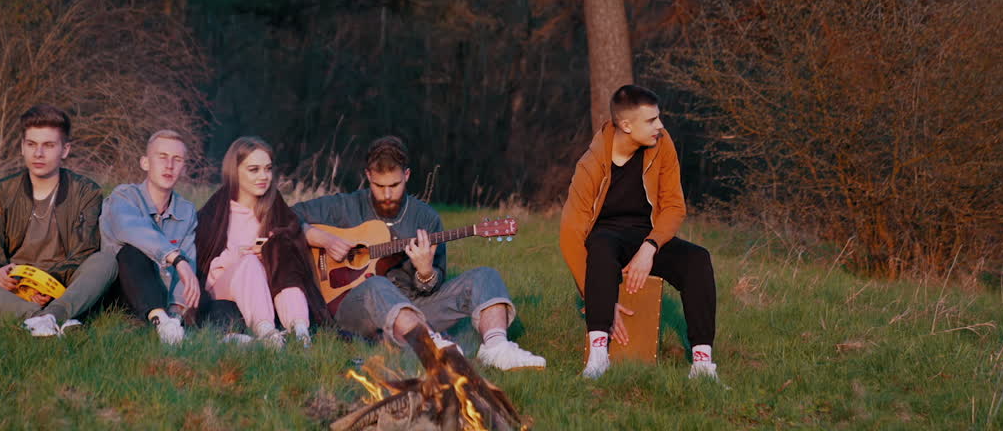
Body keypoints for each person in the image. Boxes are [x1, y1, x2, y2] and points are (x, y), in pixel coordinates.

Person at [293, 136, 545, 371]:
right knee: (377, 284)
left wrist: (425, 272)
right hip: (353, 307)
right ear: (368, 176)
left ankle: (496, 347)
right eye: (379, 186)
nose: (387, 194)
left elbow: (433, 287)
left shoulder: (426, 218)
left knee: (485, 276)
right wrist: (323, 239)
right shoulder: (344, 207)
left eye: (395, 185)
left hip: (414, 306)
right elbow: (286, 217)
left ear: (407, 175)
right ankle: (428, 345)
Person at [559, 84, 719, 380]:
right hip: (607, 237)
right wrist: (598, 301)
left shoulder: (662, 144)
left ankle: (702, 364)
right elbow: (570, 234)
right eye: (651, 120)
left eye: (658, 118)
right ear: (626, 125)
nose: (660, 126)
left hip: (647, 236)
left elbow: (674, 207)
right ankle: (598, 358)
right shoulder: (591, 164)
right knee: (600, 247)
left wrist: (650, 246)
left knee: (698, 260)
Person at [0, 105, 116, 337]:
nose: (38, 154)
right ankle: (39, 317)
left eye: (48, 145)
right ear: (22, 147)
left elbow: (84, 252)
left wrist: (47, 284)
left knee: (106, 262)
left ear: (65, 150)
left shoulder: (87, 192)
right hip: (14, 287)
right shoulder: (1, 191)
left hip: (62, 285)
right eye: (31, 144)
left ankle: (51, 314)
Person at [194, 137, 330, 346]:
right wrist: (239, 254)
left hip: (268, 288)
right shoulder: (216, 210)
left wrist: (270, 253)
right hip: (224, 286)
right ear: (235, 171)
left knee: (283, 250)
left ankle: (300, 330)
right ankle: (266, 332)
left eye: (268, 169)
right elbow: (204, 264)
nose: (263, 176)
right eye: (254, 170)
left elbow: (293, 251)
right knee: (249, 262)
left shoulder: (275, 207)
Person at [100, 129, 201, 344]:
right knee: (132, 251)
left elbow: (188, 267)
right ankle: (160, 321)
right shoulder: (123, 196)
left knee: (188, 267)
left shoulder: (186, 211)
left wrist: (176, 312)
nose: (169, 165)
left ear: (184, 168)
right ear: (145, 163)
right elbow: (130, 229)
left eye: (177, 159)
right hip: (119, 292)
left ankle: (169, 324)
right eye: (162, 157)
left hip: (161, 295)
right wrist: (176, 258)